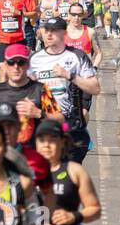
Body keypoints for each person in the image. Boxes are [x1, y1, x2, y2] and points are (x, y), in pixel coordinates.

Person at [28, 17, 99, 162]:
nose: (49, 34)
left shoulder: (77, 56)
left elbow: (95, 88)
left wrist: (69, 76)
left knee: (68, 175)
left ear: (64, 33)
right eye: (47, 30)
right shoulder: (35, 59)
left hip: (69, 124)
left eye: (54, 31)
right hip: (43, 123)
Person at [33, 119, 103, 225]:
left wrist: (73, 216)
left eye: (52, 140)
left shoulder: (75, 171)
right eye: (41, 140)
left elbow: (94, 209)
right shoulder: (25, 171)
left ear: (63, 142)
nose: (46, 145)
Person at [0, 43, 62, 149]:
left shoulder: (40, 89)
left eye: (20, 62)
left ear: (27, 65)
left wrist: (38, 113)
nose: (16, 67)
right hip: (4, 152)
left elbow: (60, 119)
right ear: (5, 65)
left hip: (34, 152)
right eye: (11, 62)